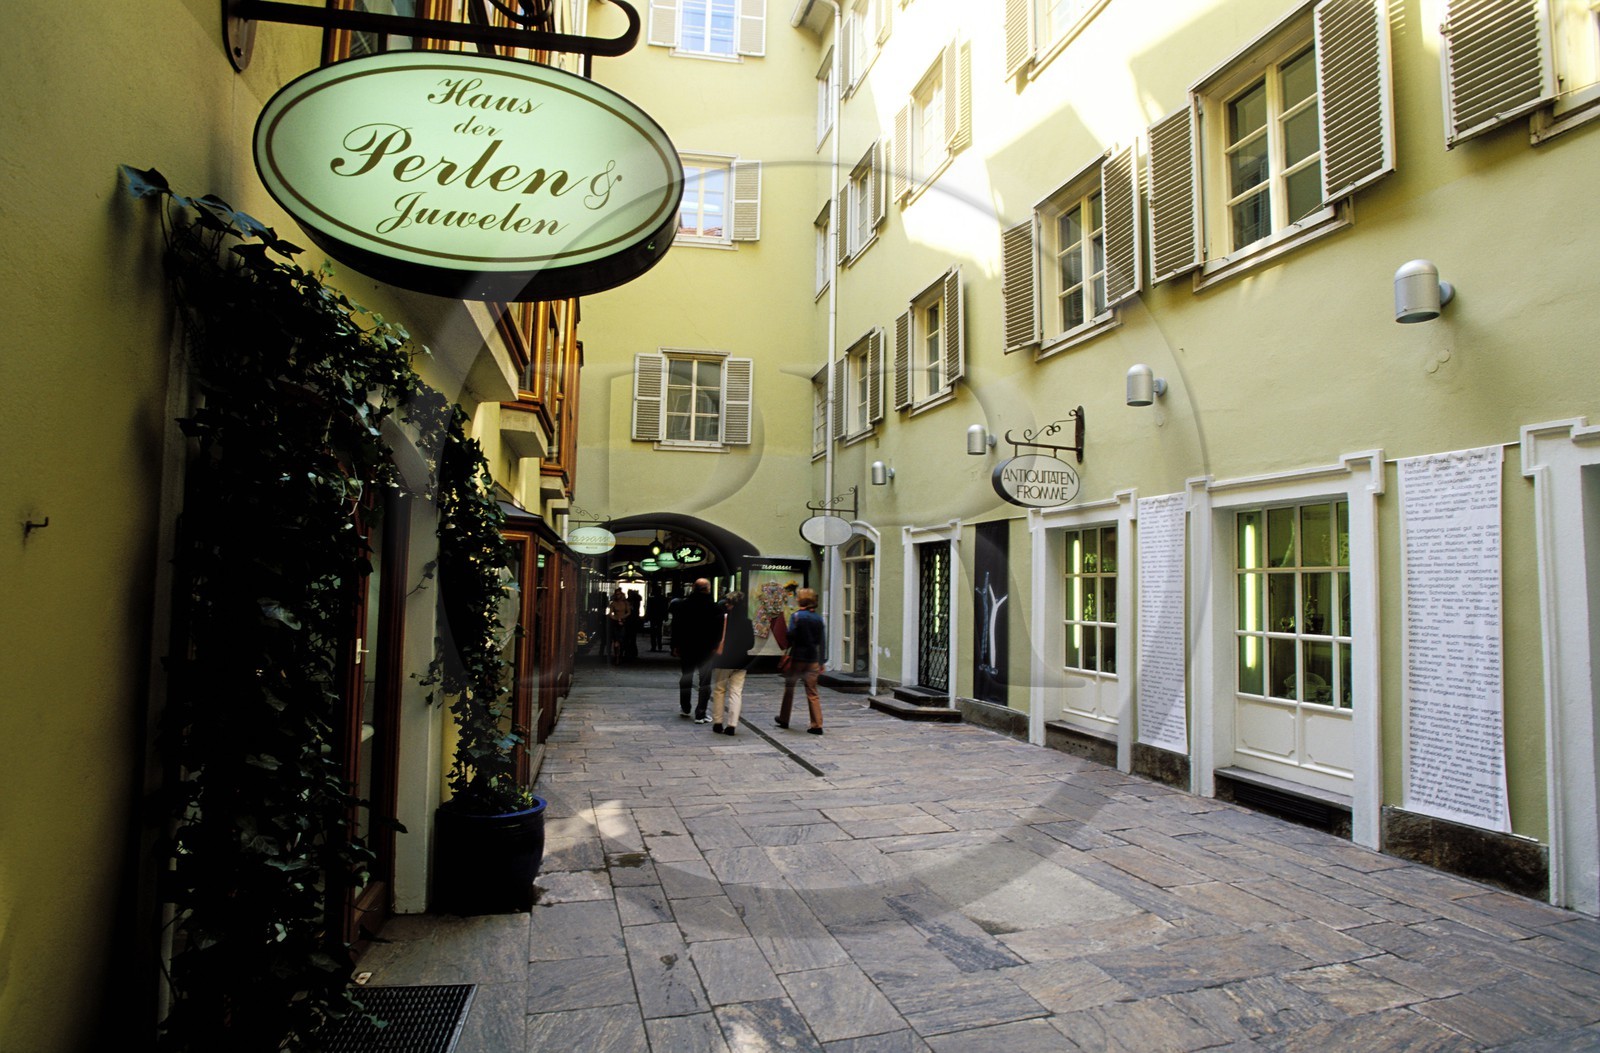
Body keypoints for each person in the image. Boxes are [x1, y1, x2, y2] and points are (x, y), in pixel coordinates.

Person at [776, 587, 826, 735]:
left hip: (797, 658)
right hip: (812, 659)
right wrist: (822, 661)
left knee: (789, 688)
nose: (796, 599)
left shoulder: (797, 616)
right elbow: (822, 640)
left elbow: (790, 635)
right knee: (812, 692)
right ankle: (817, 724)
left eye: (798, 597)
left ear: (802, 600)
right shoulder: (818, 618)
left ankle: (784, 718)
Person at [671, 578, 722, 722]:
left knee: (686, 677)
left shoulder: (683, 605)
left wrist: (675, 645)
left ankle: (685, 707)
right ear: (708, 589)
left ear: (693, 588)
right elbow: (718, 630)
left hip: (687, 646)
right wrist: (716, 646)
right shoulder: (714, 607)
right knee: (705, 680)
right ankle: (701, 713)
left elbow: (677, 626)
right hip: (706, 648)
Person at [709, 591, 755, 736]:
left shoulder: (720, 620)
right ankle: (732, 725)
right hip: (740, 661)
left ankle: (718, 722)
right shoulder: (747, 622)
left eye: (728, 603)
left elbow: (713, 640)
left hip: (723, 660)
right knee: (736, 692)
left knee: (719, 690)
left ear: (731, 605)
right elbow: (751, 644)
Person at [607, 587, 630, 665]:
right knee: (616, 640)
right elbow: (610, 613)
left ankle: (621, 655)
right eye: (616, 594)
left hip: (623, 622)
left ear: (621, 594)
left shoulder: (625, 603)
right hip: (616, 623)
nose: (618, 596)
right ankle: (616, 656)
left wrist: (622, 618)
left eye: (619, 594)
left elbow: (628, 612)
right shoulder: (613, 603)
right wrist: (616, 618)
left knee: (622, 640)